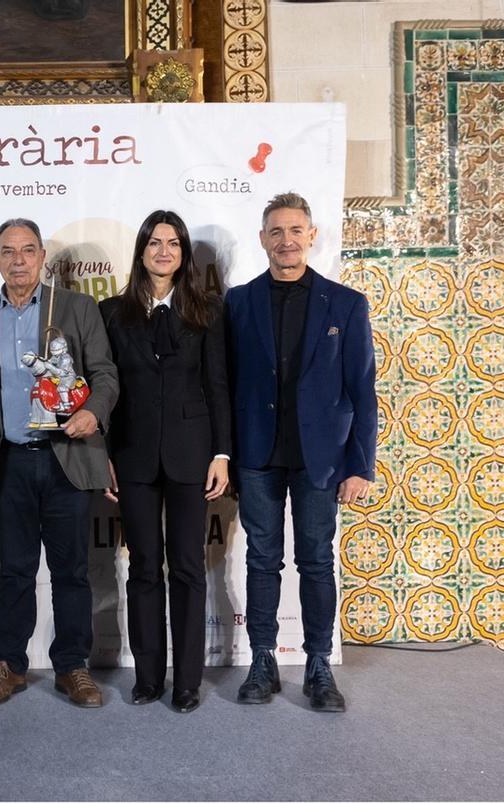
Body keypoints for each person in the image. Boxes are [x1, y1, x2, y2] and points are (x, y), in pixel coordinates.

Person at [226, 192, 376, 712]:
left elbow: (361, 389)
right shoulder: (239, 302)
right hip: (257, 455)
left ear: (311, 236)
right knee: (262, 559)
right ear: (263, 239)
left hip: (322, 458)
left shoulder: (346, 303)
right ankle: (262, 661)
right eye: (276, 231)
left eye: (296, 231)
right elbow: (224, 385)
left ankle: (317, 666)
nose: (286, 240)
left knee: (316, 561)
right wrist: (224, 455)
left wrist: (360, 464)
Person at [0, 218, 118, 708]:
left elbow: (106, 375)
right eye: (8, 251)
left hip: (64, 459)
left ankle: (73, 666)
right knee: (14, 571)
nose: (18, 260)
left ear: (43, 256)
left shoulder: (77, 307)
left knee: (71, 570)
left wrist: (93, 411)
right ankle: (9, 663)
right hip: (7, 463)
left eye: (28, 250)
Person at [98, 210, 231, 714]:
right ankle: (149, 676)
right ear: (140, 251)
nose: (163, 251)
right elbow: (103, 391)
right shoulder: (112, 312)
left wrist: (222, 453)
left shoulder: (208, 311)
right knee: (144, 569)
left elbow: (219, 386)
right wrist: (103, 455)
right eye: (154, 242)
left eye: (173, 243)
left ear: (184, 254)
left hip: (193, 455)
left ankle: (188, 681)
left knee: (190, 568)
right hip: (131, 456)